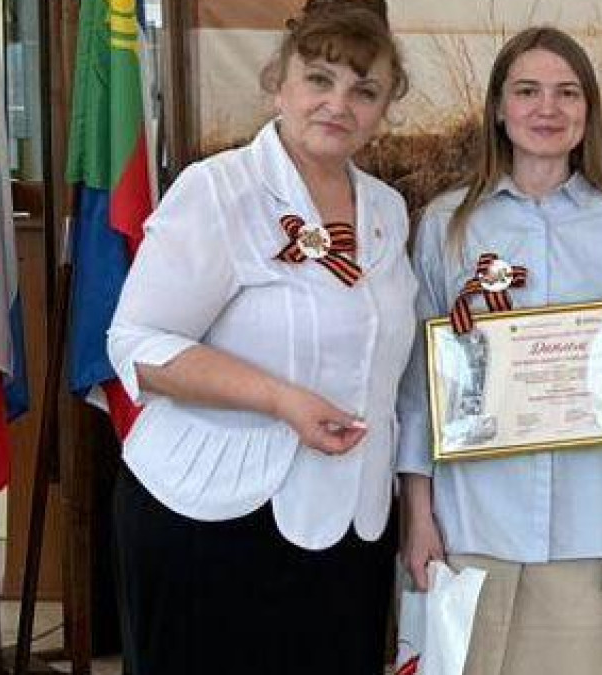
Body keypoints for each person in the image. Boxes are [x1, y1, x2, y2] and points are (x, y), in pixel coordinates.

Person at [105, 1, 415, 672]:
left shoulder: (387, 211)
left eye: (364, 91)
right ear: (280, 84)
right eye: (319, 80)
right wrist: (279, 398)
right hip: (213, 516)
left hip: (352, 526)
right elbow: (137, 343)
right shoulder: (218, 191)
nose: (339, 104)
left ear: (385, 108)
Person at [397, 26, 602, 675]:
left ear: (587, 110)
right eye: (527, 91)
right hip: (473, 523)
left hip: (589, 523)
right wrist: (418, 514)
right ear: (499, 107)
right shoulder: (447, 225)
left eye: (566, 92)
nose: (547, 108)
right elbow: (417, 386)